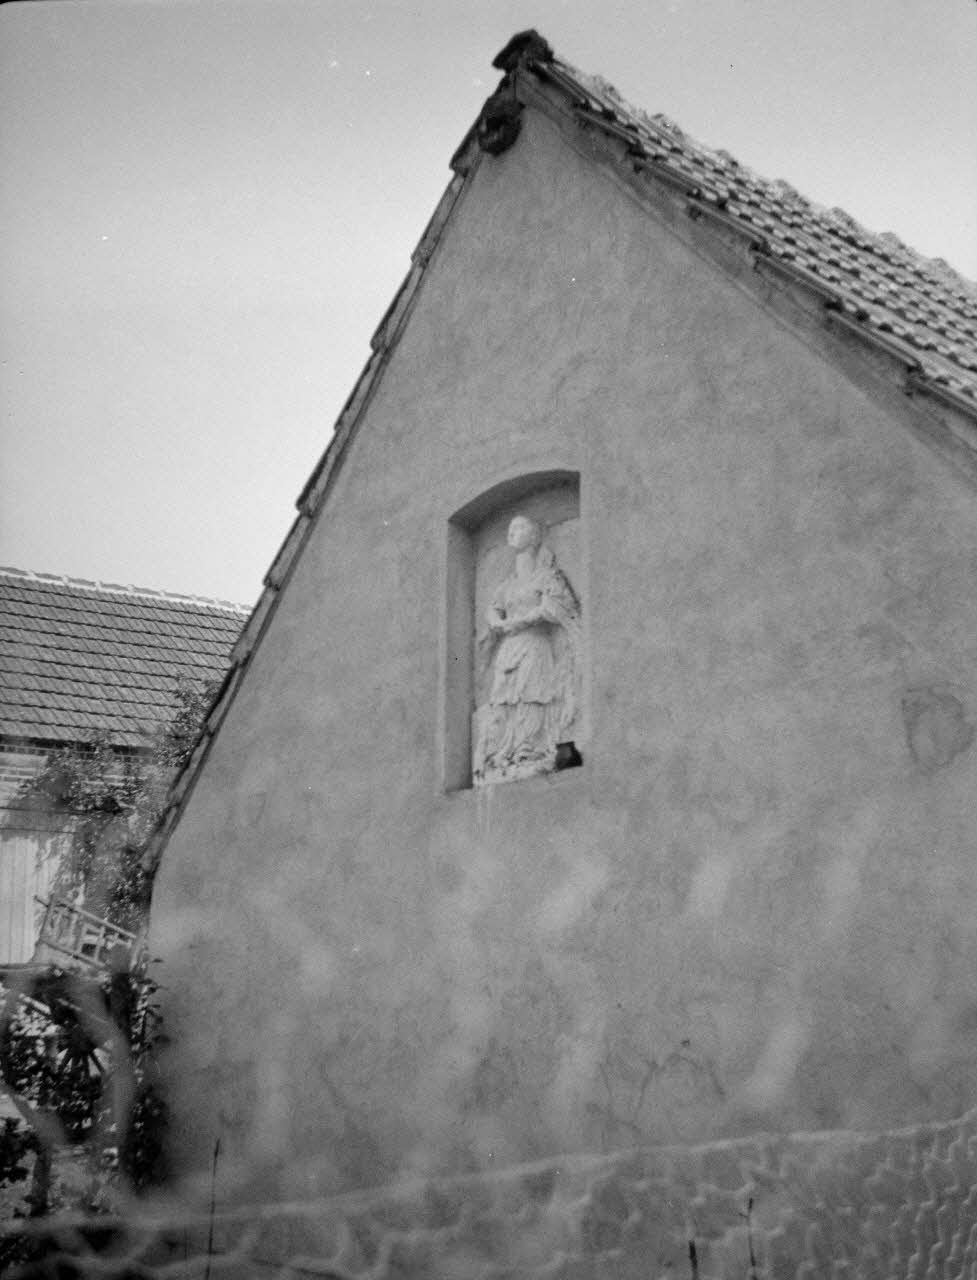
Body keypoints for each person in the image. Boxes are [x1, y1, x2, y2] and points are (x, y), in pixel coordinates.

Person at [474, 514, 580, 784]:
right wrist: (498, 623)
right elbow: (493, 608)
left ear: (533, 536)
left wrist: (517, 622)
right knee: (504, 699)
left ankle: (529, 750)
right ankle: (503, 754)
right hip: (509, 648)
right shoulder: (507, 585)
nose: (512, 532)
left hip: (534, 645)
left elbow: (553, 607)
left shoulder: (547, 576)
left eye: (519, 527)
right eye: (510, 528)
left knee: (531, 696)